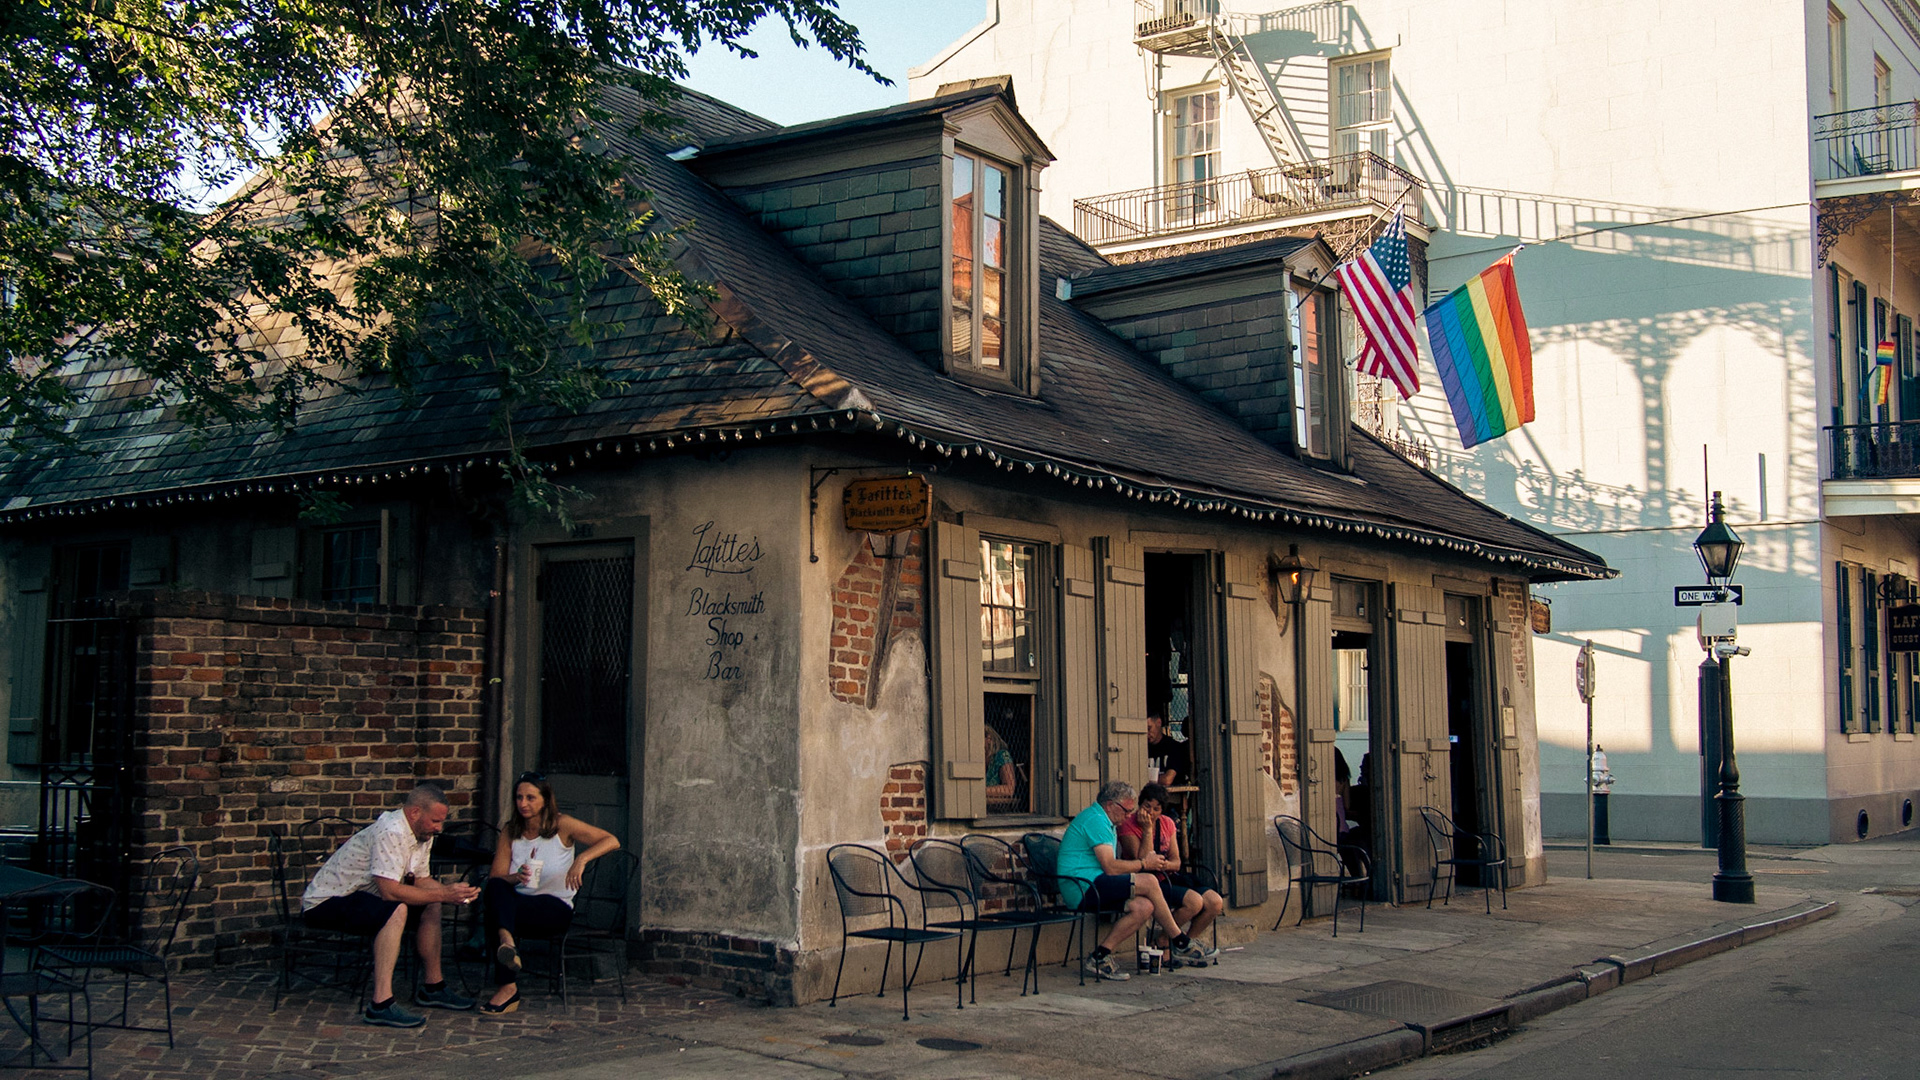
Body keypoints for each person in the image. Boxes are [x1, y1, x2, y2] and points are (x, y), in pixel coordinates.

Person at [300, 782, 481, 1027]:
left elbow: (420, 879)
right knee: (397, 909)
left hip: (362, 895)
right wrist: (444, 894)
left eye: (441, 822)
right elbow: (389, 892)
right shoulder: (392, 830)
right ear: (415, 812)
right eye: (435, 821)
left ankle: (433, 987)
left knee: (433, 903)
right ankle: (380, 1004)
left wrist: (453, 893)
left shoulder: (421, 833)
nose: (439, 828)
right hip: (327, 901)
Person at [480, 771, 622, 1015]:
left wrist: (581, 859)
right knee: (494, 887)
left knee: (497, 913)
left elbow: (611, 840)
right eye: (519, 797)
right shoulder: (510, 831)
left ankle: (507, 958)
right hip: (519, 904)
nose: (523, 804)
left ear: (545, 799)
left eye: (530, 798)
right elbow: (497, 877)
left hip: (554, 908)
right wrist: (517, 877)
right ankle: (508, 957)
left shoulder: (561, 825)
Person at [1055, 780, 1217, 981]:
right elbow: (1111, 866)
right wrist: (1143, 863)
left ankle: (1100, 957)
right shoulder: (1096, 820)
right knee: (1148, 880)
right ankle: (1180, 940)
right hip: (1081, 887)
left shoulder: (1106, 820)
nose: (1128, 816)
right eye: (1126, 810)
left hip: (1094, 882)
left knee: (1145, 907)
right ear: (1110, 805)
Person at [1117, 782, 1224, 956]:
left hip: (1168, 875)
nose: (1151, 813)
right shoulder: (1129, 824)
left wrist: (1164, 865)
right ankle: (1167, 940)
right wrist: (1147, 830)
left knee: (1215, 902)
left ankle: (1184, 942)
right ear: (1140, 805)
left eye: (1156, 809)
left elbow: (1176, 861)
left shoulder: (1167, 823)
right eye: (1147, 807)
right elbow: (1142, 860)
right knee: (1194, 902)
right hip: (1148, 882)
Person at [1146, 713, 1191, 786]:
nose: (1147, 733)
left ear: (1158, 722)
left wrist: (1144, 779)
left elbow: (1167, 780)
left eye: (1149, 728)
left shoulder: (1174, 747)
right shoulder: (1142, 749)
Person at [985, 725, 1020, 811]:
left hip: (1000, 810)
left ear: (988, 738)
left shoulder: (1002, 755)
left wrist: (979, 790)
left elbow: (1009, 789)